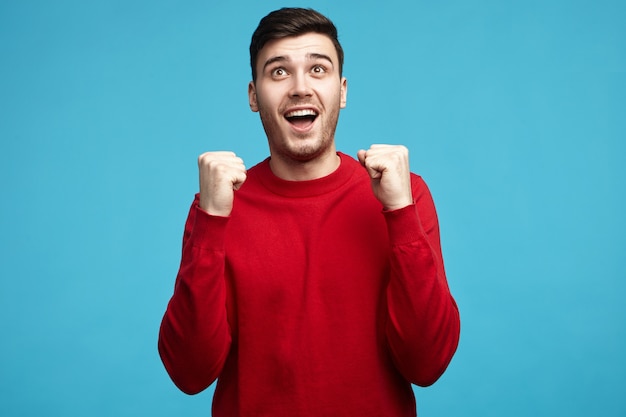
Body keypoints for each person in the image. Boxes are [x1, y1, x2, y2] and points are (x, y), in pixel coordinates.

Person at [158, 7, 460, 417]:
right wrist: (212, 222)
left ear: (343, 90)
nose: (300, 88)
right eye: (278, 72)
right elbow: (188, 372)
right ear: (253, 95)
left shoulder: (404, 196)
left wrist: (400, 212)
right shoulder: (217, 206)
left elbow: (428, 363)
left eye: (318, 70)